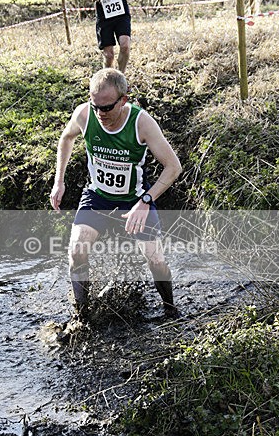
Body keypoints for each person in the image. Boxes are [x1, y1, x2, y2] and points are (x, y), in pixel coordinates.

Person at [50, 68, 182, 323]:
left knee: (155, 259)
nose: (100, 114)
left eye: (107, 108)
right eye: (95, 105)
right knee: (76, 250)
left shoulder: (142, 123)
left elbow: (173, 167)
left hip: (134, 200)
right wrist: (59, 181)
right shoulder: (85, 115)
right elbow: (66, 139)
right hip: (98, 198)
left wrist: (145, 202)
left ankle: (170, 309)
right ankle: (82, 316)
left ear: (123, 100)